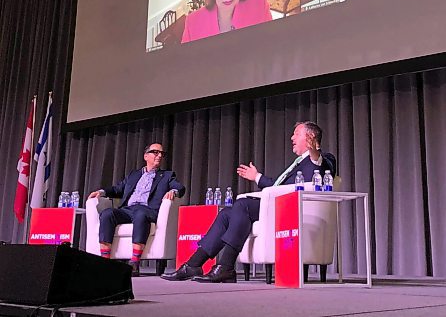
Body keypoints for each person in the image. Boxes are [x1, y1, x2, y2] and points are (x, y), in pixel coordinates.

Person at [161, 121, 336, 283]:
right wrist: (257, 177)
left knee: (242, 204)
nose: (292, 138)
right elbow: (277, 186)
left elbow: (319, 163)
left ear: (310, 137)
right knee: (226, 214)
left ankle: (226, 266)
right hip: (277, 204)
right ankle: (194, 264)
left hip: (292, 208)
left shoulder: (323, 158)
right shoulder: (298, 163)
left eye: (296, 134)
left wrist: (314, 150)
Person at [88, 143, 185, 276]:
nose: (160, 155)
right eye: (155, 152)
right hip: (127, 209)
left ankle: (134, 262)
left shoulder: (167, 175)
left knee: (140, 214)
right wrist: (102, 191)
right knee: (107, 214)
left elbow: (180, 187)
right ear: (146, 156)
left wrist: (173, 191)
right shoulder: (134, 174)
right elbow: (118, 189)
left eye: (162, 153)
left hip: (148, 210)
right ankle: (106, 262)